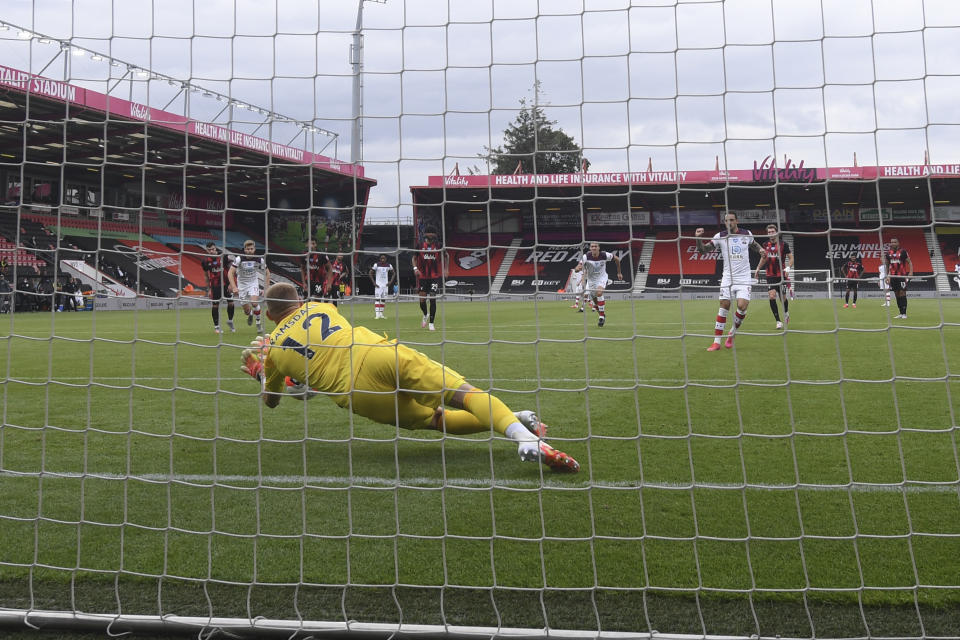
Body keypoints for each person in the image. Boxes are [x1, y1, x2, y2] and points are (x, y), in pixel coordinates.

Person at [240, 283, 580, 472]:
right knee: (462, 393)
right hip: (378, 352)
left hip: (355, 392)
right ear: (299, 300)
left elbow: (272, 402)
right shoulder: (320, 306)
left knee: (436, 419)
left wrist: (262, 372)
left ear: (268, 315)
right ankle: (522, 434)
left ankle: (515, 423)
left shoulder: (275, 355)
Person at [695, 211, 765, 351]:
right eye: (727, 220)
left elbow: (755, 245)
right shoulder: (720, 236)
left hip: (744, 277)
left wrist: (761, 250)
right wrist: (698, 238)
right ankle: (716, 342)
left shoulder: (746, 234)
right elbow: (703, 251)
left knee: (742, 306)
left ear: (737, 221)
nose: (729, 223)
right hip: (727, 277)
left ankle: (732, 332)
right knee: (724, 306)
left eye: (732, 220)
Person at [573, 242, 622, 327]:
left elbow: (617, 259)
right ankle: (602, 315)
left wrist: (619, 273)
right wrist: (577, 269)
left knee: (599, 293)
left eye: (595, 246)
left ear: (599, 248)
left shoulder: (604, 255)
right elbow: (577, 268)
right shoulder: (586, 257)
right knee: (596, 303)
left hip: (602, 278)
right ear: (590, 248)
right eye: (592, 246)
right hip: (591, 281)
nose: (594, 248)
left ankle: (601, 317)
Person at [754, 223, 793, 329]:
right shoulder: (765, 244)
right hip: (770, 275)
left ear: (776, 233)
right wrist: (758, 268)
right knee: (771, 296)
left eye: (772, 232)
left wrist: (789, 267)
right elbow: (764, 258)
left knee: (782, 298)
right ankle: (778, 321)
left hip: (781, 275)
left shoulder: (783, 244)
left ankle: (786, 313)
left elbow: (791, 258)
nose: (771, 234)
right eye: (769, 232)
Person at [228, 239, 270, 333]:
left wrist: (266, 289)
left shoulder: (259, 260)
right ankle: (251, 313)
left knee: (254, 303)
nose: (249, 251)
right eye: (247, 249)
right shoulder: (239, 259)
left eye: (251, 249)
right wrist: (234, 286)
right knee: (246, 311)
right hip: (241, 285)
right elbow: (230, 273)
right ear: (244, 250)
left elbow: (267, 273)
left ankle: (258, 324)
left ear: (254, 249)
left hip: (253, 283)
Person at [413, 229, 444, 330]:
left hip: (434, 277)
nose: (432, 235)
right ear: (426, 234)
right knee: (422, 301)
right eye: (430, 233)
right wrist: (415, 268)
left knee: (432, 298)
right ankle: (425, 314)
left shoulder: (439, 245)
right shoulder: (419, 245)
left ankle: (431, 323)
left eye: (433, 233)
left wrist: (446, 269)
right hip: (422, 277)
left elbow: (446, 255)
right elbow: (414, 258)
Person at [203, 242, 235, 334]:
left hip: (226, 284)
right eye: (209, 250)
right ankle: (216, 327)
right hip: (215, 286)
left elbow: (230, 270)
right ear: (207, 250)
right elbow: (206, 276)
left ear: (215, 248)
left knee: (231, 303)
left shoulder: (223, 256)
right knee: (215, 305)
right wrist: (208, 289)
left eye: (213, 249)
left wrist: (231, 284)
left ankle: (230, 321)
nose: (211, 251)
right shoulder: (205, 261)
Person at [884, 237, 913, 319]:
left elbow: (910, 262)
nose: (892, 243)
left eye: (894, 242)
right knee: (896, 294)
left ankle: (904, 313)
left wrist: (910, 273)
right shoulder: (888, 253)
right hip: (893, 277)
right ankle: (900, 313)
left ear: (898, 243)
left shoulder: (903, 252)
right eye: (891, 242)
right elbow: (887, 265)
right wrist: (887, 276)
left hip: (902, 276)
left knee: (902, 293)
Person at [369, 254, 396, 319]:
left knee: (383, 299)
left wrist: (390, 281)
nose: (383, 260)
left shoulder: (389, 265)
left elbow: (394, 273)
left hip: (385, 285)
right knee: (377, 299)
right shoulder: (376, 265)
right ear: (380, 259)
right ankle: (377, 314)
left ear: (386, 259)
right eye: (381, 258)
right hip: (378, 285)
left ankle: (381, 314)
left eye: (384, 258)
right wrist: (374, 283)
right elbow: (370, 273)